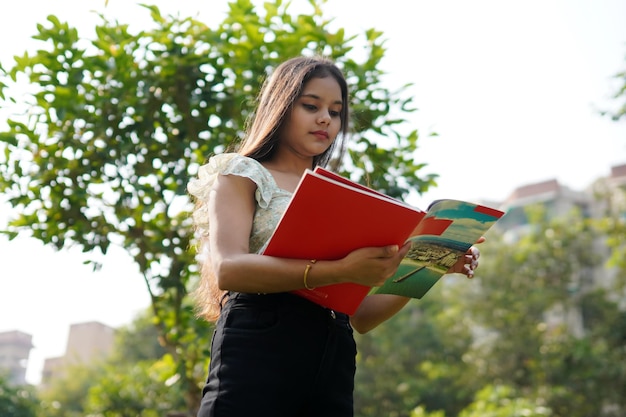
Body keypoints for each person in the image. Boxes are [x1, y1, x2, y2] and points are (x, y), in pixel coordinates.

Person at [187, 55, 482, 417]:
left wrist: (427, 264)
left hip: (333, 354)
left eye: (336, 111)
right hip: (259, 344)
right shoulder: (242, 173)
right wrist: (340, 269)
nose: (326, 118)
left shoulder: (344, 198)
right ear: (280, 106)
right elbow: (229, 269)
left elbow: (363, 316)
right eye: (311, 106)